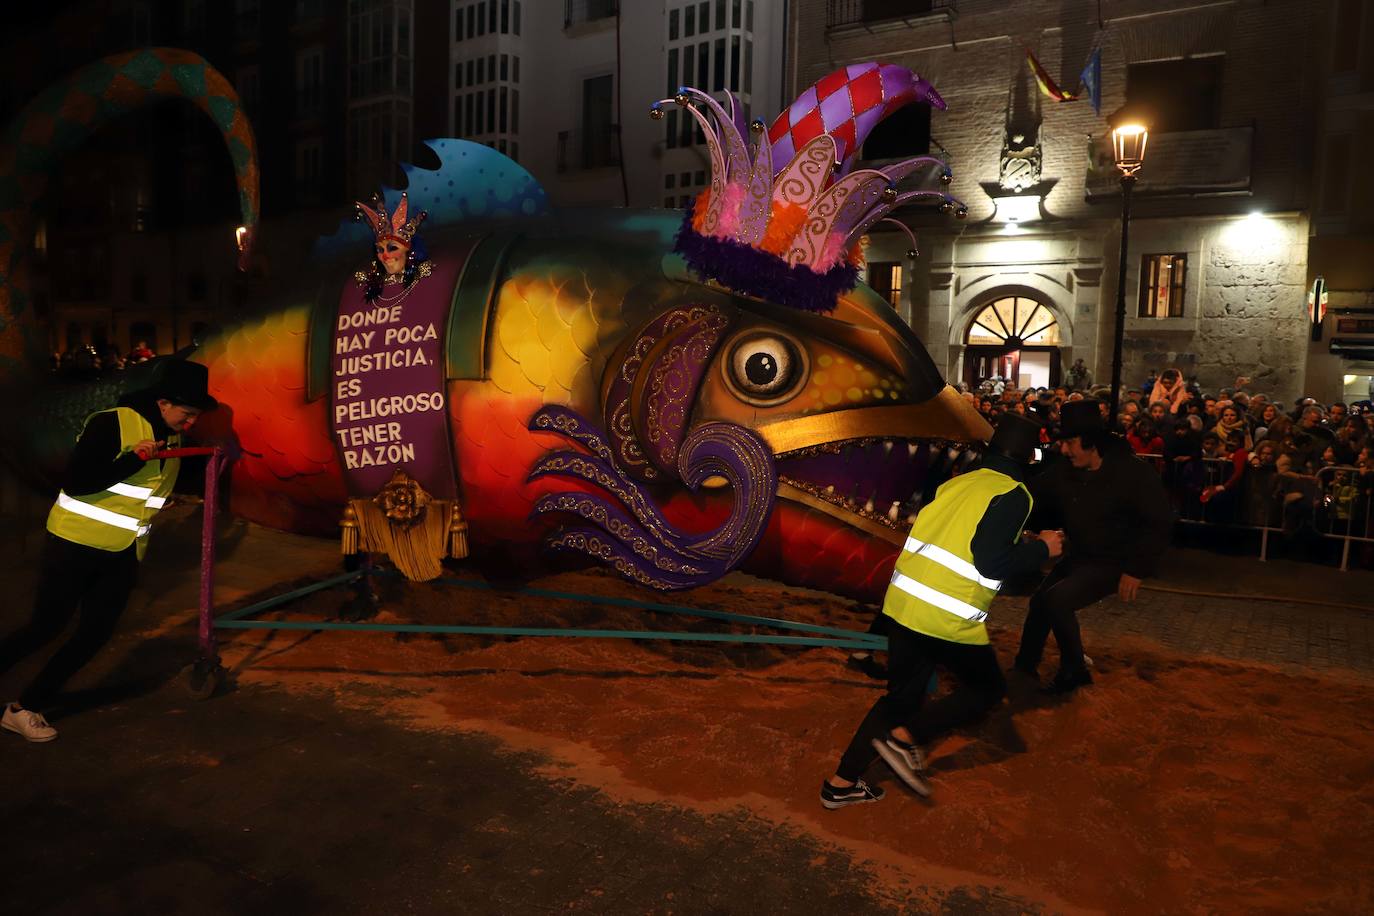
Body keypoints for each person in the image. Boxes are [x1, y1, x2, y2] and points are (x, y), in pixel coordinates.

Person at [821, 415, 1062, 808]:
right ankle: (906, 738)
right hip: (945, 616)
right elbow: (990, 561)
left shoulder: (958, 483)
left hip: (902, 606)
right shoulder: (1014, 493)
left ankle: (841, 783)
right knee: (986, 689)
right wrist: (1042, 550)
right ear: (1027, 460)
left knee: (899, 698)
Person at [0, 359, 217, 742]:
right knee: (46, 626)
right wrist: (132, 460)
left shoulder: (172, 433)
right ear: (164, 402)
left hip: (123, 550)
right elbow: (79, 481)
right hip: (73, 544)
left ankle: (25, 708)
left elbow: (162, 482)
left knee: (95, 633)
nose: (191, 423)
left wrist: (216, 460)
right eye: (187, 414)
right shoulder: (114, 422)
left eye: (195, 417)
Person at [1013, 400, 1173, 694]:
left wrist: (1136, 569)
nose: (1064, 450)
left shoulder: (1133, 473)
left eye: (1070, 443)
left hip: (1115, 561)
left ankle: (1074, 671)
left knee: (1058, 600)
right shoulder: (1064, 471)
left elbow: (1158, 522)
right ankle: (1025, 665)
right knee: (1041, 601)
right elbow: (1033, 495)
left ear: (1092, 443)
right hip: (1081, 556)